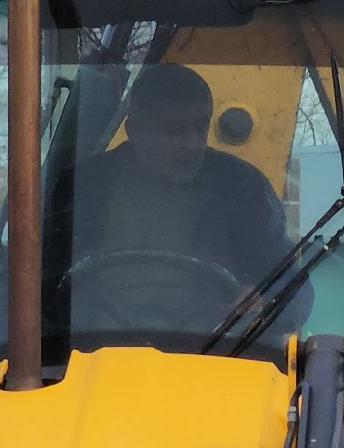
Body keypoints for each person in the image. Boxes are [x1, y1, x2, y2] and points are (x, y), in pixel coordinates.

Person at [56, 63, 310, 340]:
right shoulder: (84, 187)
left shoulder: (240, 189)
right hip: (91, 359)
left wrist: (265, 303)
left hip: (212, 359)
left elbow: (294, 287)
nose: (191, 143)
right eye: (173, 129)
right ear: (134, 128)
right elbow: (21, 286)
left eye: (199, 127)